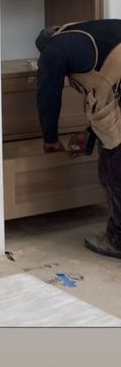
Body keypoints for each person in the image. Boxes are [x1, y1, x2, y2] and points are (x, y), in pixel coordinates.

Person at [35, 20, 121, 259]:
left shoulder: (53, 50)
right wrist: (90, 135)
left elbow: (48, 96)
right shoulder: (92, 31)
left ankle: (118, 240)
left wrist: (50, 139)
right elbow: (105, 90)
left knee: (114, 166)